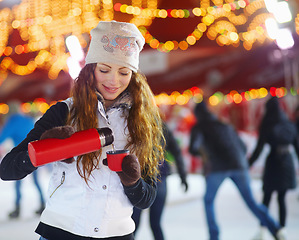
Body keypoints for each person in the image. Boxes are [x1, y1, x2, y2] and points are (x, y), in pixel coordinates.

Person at [0, 20, 164, 240]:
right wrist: (45, 148)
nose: (114, 80)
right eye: (104, 69)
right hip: (60, 232)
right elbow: (8, 169)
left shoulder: (143, 122)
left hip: (117, 235)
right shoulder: (64, 112)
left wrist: (132, 182)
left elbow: (147, 199)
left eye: (124, 72)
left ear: (133, 76)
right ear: (91, 69)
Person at [188, 101, 284, 240]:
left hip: (218, 167)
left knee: (208, 201)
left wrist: (205, 155)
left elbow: (193, 148)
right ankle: (276, 229)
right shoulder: (224, 124)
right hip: (239, 165)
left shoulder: (199, 127)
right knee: (251, 201)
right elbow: (243, 147)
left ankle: (214, 236)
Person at [249, 96, 299, 240]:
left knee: (267, 198)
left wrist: (248, 164)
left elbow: (259, 148)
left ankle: (262, 230)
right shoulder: (288, 124)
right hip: (286, 162)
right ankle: (282, 230)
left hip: (273, 163)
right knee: (281, 199)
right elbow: (296, 147)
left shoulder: (267, 123)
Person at [132, 122, 188, 240]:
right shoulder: (161, 126)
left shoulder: (135, 122)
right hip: (157, 177)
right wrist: (183, 176)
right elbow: (176, 151)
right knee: (155, 224)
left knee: (134, 223)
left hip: (142, 178)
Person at [0, 101, 45, 219]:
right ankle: (42, 204)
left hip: (21, 156)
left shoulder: (12, 121)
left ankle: (17, 208)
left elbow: (2, 137)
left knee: (18, 181)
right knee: (36, 181)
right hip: (35, 153)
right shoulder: (27, 119)